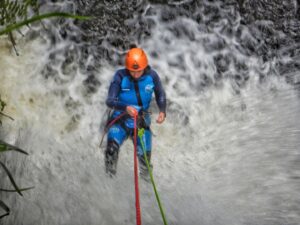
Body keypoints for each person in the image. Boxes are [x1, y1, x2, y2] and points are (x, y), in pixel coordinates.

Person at [104, 46, 166, 178]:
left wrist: (162, 111)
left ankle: (146, 186)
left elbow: (160, 94)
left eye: (139, 71)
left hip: (141, 123)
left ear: (145, 67)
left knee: (145, 162)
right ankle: (109, 180)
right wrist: (125, 107)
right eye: (132, 71)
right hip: (120, 120)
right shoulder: (120, 76)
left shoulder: (152, 76)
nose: (136, 74)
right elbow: (110, 101)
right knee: (111, 150)